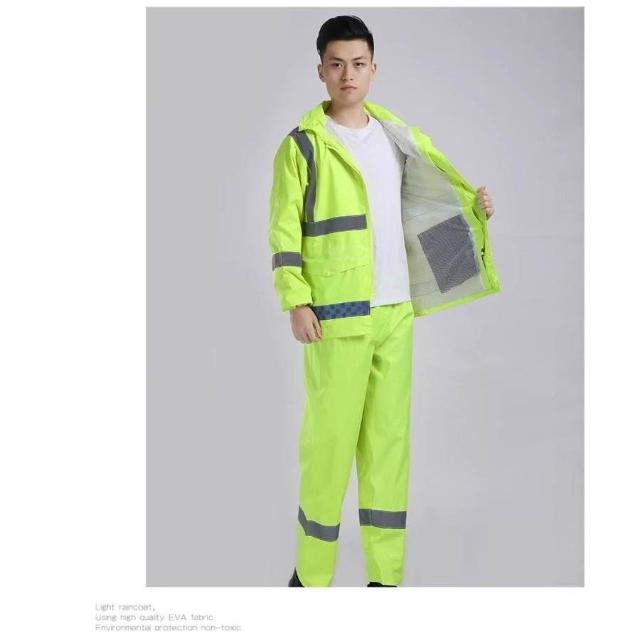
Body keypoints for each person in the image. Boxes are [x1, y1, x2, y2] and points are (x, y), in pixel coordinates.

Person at [268, 15, 498, 588]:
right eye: (337, 64)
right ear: (320, 71)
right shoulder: (303, 147)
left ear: (374, 69)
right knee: (329, 447)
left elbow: (421, 212)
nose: (348, 74)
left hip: (396, 315)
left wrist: (475, 213)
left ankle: (385, 579)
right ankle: (310, 577)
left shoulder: (396, 137)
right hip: (336, 320)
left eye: (358, 63)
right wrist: (296, 301)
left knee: (388, 446)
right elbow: (284, 232)